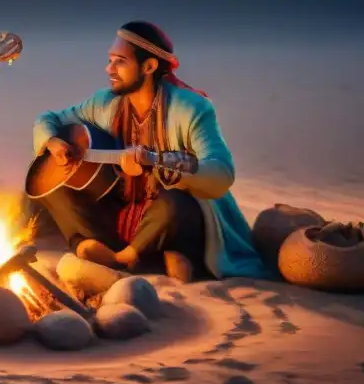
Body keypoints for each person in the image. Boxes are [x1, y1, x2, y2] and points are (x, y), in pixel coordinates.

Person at [32, 21, 271, 282]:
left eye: (119, 61)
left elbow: (222, 172)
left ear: (149, 67)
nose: (108, 69)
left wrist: (156, 163)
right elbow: (49, 118)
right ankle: (90, 246)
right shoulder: (104, 103)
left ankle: (126, 258)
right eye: (110, 60)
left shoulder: (192, 109)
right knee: (52, 187)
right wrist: (53, 141)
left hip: (168, 214)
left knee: (174, 205)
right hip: (123, 207)